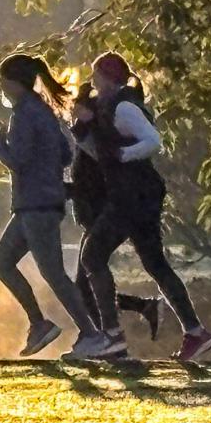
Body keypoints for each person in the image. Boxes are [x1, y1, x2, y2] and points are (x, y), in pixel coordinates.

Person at [75, 52, 211, 360]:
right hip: (137, 195)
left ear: (108, 78)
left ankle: (112, 336)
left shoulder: (124, 107)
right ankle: (196, 332)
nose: (92, 82)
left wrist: (122, 156)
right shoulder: (106, 108)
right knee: (154, 263)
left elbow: (153, 141)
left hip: (133, 195)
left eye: (96, 76)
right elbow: (100, 154)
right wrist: (83, 127)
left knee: (92, 255)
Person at [0, 53, 121, 359]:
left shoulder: (23, 114)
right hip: (38, 204)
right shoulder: (45, 111)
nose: (1, 87)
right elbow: (65, 154)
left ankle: (92, 335)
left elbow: (19, 162)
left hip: (36, 206)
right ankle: (39, 324)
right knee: (3, 263)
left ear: (13, 83)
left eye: (2, 81)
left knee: (53, 273)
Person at [68, 82, 164, 346]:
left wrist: (70, 190)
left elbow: (95, 177)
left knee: (85, 280)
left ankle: (108, 337)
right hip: (96, 210)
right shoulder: (89, 137)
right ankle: (135, 311)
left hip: (101, 211)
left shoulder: (96, 138)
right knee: (84, 283)